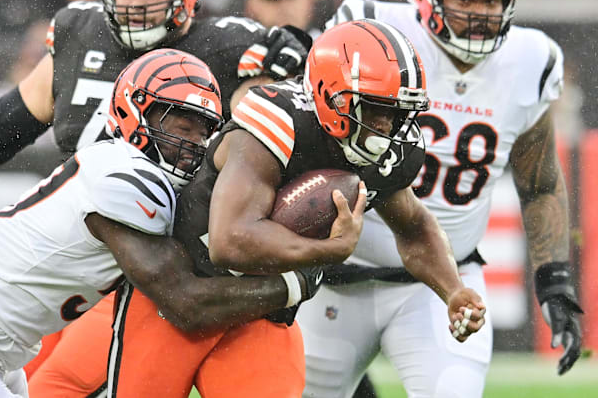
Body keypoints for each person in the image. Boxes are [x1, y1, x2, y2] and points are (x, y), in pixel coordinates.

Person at [0, 0, 312, 395]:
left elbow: (289, 128)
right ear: (124, 112)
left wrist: (300, 66)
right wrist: (296, 278)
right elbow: (185, 300)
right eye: (181, 126)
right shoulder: (122, 181)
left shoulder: (232, 44)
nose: (195, 143)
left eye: (203, 130)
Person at [105, 20, 488, 398]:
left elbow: (415, 227)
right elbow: (229, 240)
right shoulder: (279, 121)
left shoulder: (388, 153)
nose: (387, 126)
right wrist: (327, 252)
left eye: (397, 113)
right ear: (332, 96)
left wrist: (452, 290)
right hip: (169, 297)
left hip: (258, 311)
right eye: (375, 109)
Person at [296, 0, 585, 397]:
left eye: (491, 1)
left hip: (444, 283)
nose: (480, 14)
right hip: (336, 277)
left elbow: (540, 183)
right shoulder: (371, 27)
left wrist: (554, 281)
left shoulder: (531, 59)